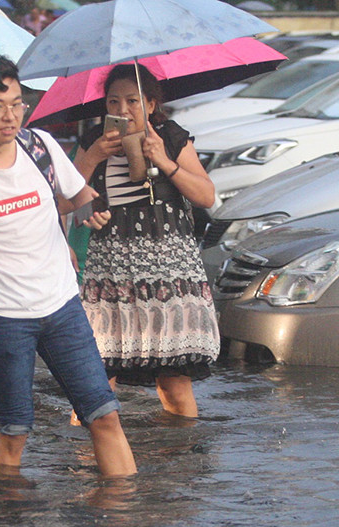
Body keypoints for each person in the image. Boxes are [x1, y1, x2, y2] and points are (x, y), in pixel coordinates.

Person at [0, 53, 137, 477]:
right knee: (13, 433)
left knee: (105, 416)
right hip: (3, 317)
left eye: (18, 103)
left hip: (63, 306)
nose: (11, 115)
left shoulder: (40, 146)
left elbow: (77, 195)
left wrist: (92, 210)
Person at [74, 63, 220, 418]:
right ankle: (85, 461)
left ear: (151, 104)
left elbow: (206, 196)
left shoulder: (170, 137)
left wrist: (164, 162)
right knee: (95, 380)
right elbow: (66, 199)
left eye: (132, 101)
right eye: (113, 102)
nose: (122, 111)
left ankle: (182, 463)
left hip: (169, 278)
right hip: (111, 275)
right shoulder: (93, 141)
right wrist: (94, 156)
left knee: (173, 382)